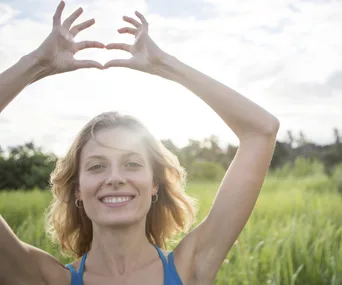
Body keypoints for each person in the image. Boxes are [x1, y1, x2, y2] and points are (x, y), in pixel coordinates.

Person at [0, 1, 280, 285]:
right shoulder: (46, 279)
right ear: (78, 190)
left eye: (132, 164)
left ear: (154, 184)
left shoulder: (190, 268)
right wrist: (36, 63)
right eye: (97, 167)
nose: (115, 178)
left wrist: (166, 65)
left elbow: (262, 130)